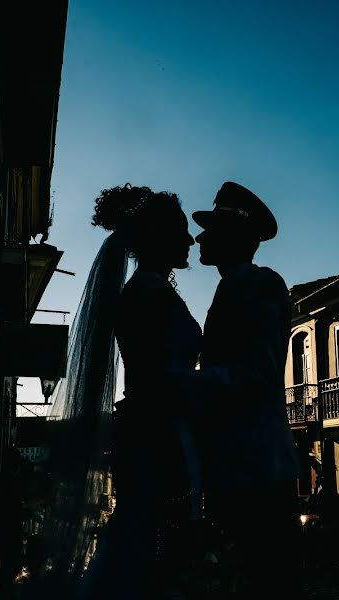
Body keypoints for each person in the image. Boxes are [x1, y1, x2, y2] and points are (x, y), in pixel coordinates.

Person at [70, 184, 201, 599]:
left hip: (148, 426)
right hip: (157, 431)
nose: (190, 239)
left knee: (145, 537)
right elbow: (161, 377)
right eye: (181, 230)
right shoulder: (149, 293)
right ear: (159, 235)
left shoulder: (148, 290)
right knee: (156, 542)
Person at [181, 181, 301, 597]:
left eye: (210, 228)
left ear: (236, 236)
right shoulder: (227, 288)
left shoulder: (264, 284)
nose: (199, 237)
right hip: (231, 465)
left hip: (258, 466)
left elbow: (259, 371)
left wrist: (190, 383)